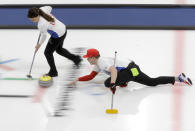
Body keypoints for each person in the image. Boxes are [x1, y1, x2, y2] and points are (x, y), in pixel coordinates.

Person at [68, 48, 192, 94]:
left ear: (93, 57)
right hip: (132, 69)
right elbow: (91, 76)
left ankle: (124, 81)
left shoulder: (102, 62)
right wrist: (76, 80)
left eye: (88, 58)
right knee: (152, 82)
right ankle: (177, 78)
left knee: (107, 83)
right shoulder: (97, 64)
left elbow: (113, 71)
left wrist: (112, 83)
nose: (87, 60)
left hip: (131, 70)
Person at [27, 6, 81, 77]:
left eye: (33, 19)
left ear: (37, 16)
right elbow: (50, 7)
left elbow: (44, 36)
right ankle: (76, 59)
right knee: (59, 50)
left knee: (47, 53)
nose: (33, 21)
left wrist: (39, 45)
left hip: (57, 36)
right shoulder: (42, 10)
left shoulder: (41, 24)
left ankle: (53, 72)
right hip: (63, 30)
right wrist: (45, 13)